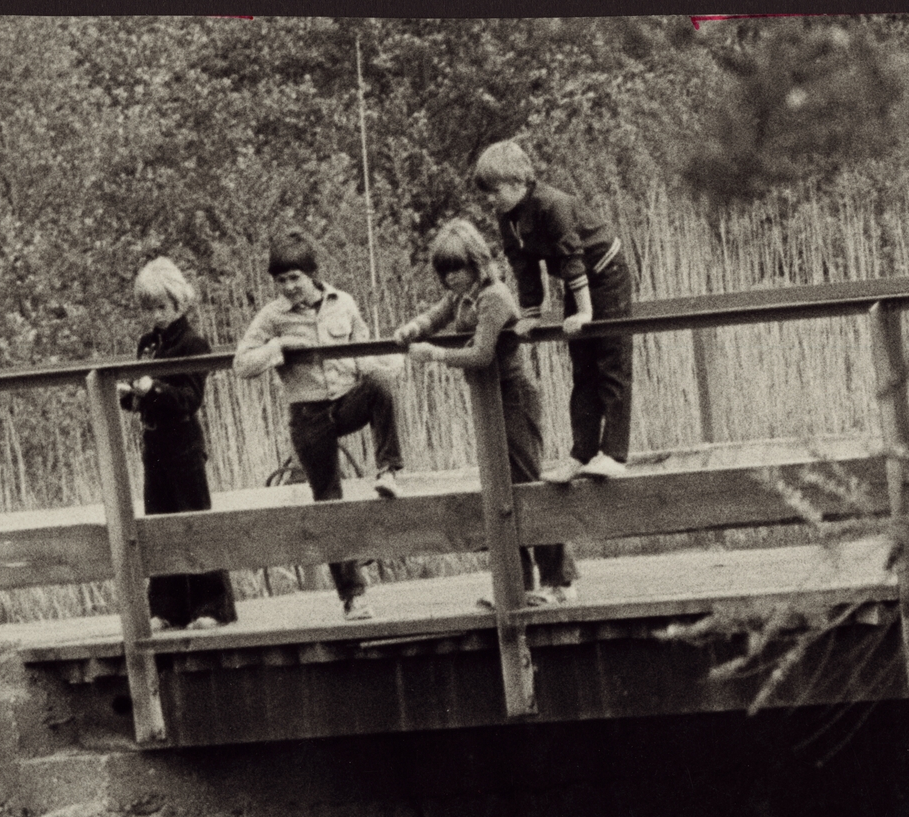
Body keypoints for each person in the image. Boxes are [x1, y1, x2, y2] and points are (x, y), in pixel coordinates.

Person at [394, 218, 578, 605]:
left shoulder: (493, 296)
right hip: (488, 402)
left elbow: (481, 355)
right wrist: (414, 328)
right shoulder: (464, 295)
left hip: (513, 397)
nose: (451, 280)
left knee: (527, 485)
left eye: (457, 270)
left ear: (476, 262)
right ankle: (518, 585)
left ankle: (560, 581)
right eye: (445, 273)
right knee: (500, 491)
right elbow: (438, 313)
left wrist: (436, 354)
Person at [232, 229, 404, 621]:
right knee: (328, 501)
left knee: (379, 384)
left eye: (295, 277)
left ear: (312, 274)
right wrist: (276, 350)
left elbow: (364, 355)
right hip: (307, 415)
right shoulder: (272, 316)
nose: (289, 287)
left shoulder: (343, 303)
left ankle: (389, 467)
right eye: (281, 280)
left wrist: (392, 365)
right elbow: (241, 365)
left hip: (345, 400)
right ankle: (353, 595)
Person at [472, 140, 634, 483]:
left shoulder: (551, 204)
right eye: (486, 193)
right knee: (582, 368)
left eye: (495, 190)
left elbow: (572, 257)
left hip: (605, 272)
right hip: (579, 281)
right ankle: (582, 453)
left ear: (518, 182)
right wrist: (531, 313)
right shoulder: (508, 218)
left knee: (611, 361)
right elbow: (524, 265)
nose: (490, 199)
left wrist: (585, 311)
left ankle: (615, 454)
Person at [118, 257, 237, 632]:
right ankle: (168, 608)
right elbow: (140, 400)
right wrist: (131, 395)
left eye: (161, 307)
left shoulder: (194, 343)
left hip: (184, 442)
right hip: (153, 444)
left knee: (194, 521)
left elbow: (189, 399)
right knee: (158, 523)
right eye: (149, 308)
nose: (156, 316)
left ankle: (212, 606)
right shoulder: (147, 344)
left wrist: (154, 388)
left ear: (179, 303)